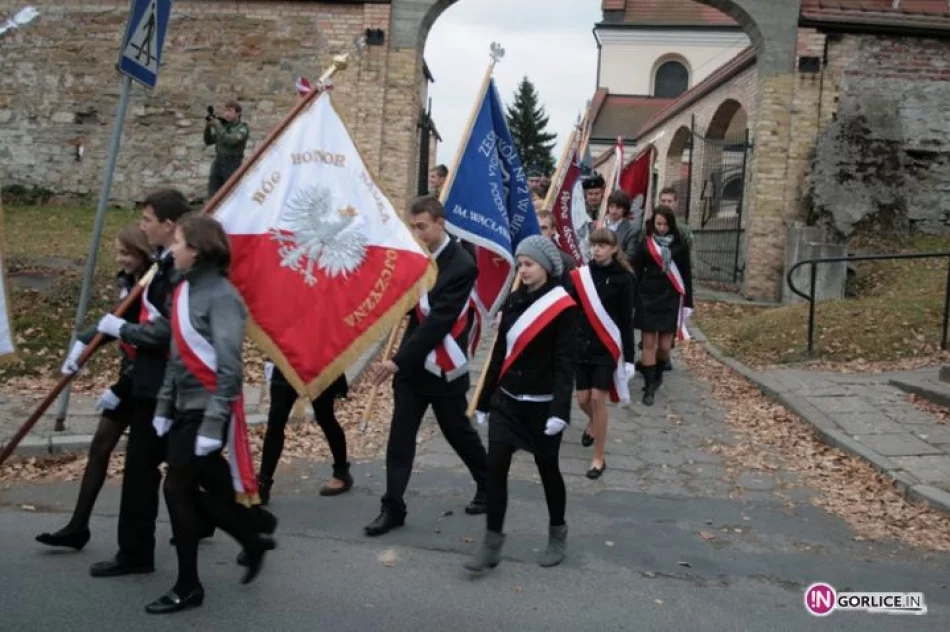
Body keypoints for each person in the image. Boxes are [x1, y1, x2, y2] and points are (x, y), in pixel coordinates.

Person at [147, 213, 272, 614]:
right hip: (184, 408)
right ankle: (252, 536)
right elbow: (177, 357)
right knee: (203, 491)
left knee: (176, 491)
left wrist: (214, 422)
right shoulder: (182, 291)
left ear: (197, 251)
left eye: (178, 242)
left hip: (207, 411)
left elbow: (229, 368)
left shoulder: (222, 296)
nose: (172, 249)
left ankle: (188, 586)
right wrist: (165, 405)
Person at [364, 195, 489, 537]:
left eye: (422, 227)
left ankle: (488, 482)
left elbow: (438, 323)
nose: (417, 233)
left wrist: (395, 362)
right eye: (413, 226)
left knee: (457, 432)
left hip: (442, 362)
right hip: (410, 367)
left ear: (440, 223)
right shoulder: (414, 256)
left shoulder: (462, 265)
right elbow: (406, 306)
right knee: (400, 436)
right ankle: (392, 507)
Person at [88, 189, 191, 578]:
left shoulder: (178, 266)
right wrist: (92, 338)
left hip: (167, 383)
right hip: (150, 383)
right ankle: (134, 552)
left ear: (168, 224)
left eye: (148, 219)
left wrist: (125, 330)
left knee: (184, 473)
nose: (143, 225)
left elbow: (168, 330)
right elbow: (130, 312)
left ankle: (245, 529)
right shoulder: (160, 263)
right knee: (143, 470)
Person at [36, 224, 152, 550]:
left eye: (126, 253)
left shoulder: (154, 287)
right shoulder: (130, 282)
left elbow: (149, 342)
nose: (121, 259)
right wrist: (82, 347)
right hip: (131, 378)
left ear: (142, 252)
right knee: (100, 447)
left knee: (180, 463)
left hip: (151, 384)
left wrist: (121, 389)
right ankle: (78, 526)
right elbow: (114, 321)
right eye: (119, 252)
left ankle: (216, 517)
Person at [466, 236, 577, 572]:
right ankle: (492, 540)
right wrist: (484, 401)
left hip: (542, 407)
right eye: (520, 264)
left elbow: (565, 362)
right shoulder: (513, 302)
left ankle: (558, 532)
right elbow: (499, 354)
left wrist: (560, 411)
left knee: (548, 471)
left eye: (528, 264)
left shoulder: (563, 307)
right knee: (495, 469)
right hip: (508, 403)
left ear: (545, 266)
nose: (522, 270)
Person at [570, 228, 635, 479]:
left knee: (598, 399)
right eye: (594, 244)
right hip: (582, 346)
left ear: (614, 249)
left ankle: (598, 458)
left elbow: (627, 321)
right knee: (583, 400)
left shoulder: (624, 278)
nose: (596, 249)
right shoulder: (582, 276)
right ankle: (594, 423)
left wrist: (629, 358)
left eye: (602, 245)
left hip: (606, 348)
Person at [257, 364, 352, 502]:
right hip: (285, 359)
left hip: (317, 361)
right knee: (275, 422)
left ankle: (342, 472)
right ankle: (263, 483)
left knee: (325, 417)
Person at [632, 206, 694, 406]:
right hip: (647, 298)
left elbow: (686, 276)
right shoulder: (645, 245)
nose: (662, 228)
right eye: (658, 224)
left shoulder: (680, 246)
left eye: (665, 224)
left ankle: (657, 375)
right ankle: (649, 387)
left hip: (670, 299)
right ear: (653, 223)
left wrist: (688, 302)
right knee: (648, 344)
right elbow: (636, 272)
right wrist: (633, 299)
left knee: (665, 346)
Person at [204, 100, 249, 199]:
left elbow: (230, 140)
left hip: (232, 163)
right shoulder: (224, 127)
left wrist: (218, 126)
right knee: (213, 194)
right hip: (219, 161)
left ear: (238, 113)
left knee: (231, 195)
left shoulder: (242, 128)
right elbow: (208, 141)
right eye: (225, 111)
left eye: (230, 111)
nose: (226, 114)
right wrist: (208, 127)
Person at [536, 209, 576, 289]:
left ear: (553, 230)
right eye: (536, 227)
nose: (539, 232)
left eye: (543, 228)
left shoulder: (566, 262)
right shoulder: (523, 258)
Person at [601, 190, 638, 266]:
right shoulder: (599, 224)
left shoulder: (631, 230)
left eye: (618, 207)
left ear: (624, 209)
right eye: (611, 206)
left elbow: (630, 256)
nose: (614, 211)